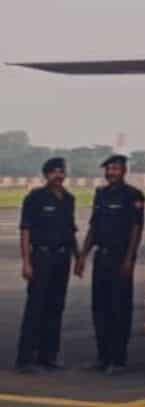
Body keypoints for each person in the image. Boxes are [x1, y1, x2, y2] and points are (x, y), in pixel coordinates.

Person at [75, 155, 145, 373]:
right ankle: (103, 357)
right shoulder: (101, 194)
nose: (111, 173)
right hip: (102, 258)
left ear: (124, 171)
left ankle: (118, 359)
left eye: (115, 169)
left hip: (120, 259)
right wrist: (83, 256)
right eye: (108, 169)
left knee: (119, 309)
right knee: (100, 308)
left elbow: (136, 229)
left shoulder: (133, 196)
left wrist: (129, 260)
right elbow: (94, 227)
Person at [15, 158, 78, 373]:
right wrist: (26, 262)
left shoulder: (69, 199)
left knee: (55, 307)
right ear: (46, 175)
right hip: (41, 258)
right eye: (54, 172)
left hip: (62, 259)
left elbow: (71, 231)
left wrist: (78, 257)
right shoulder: (35, 198)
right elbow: (25, 231)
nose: (58, 176)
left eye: (61, 172)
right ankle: (26, 358)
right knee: (36, 307)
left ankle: (48, 355)